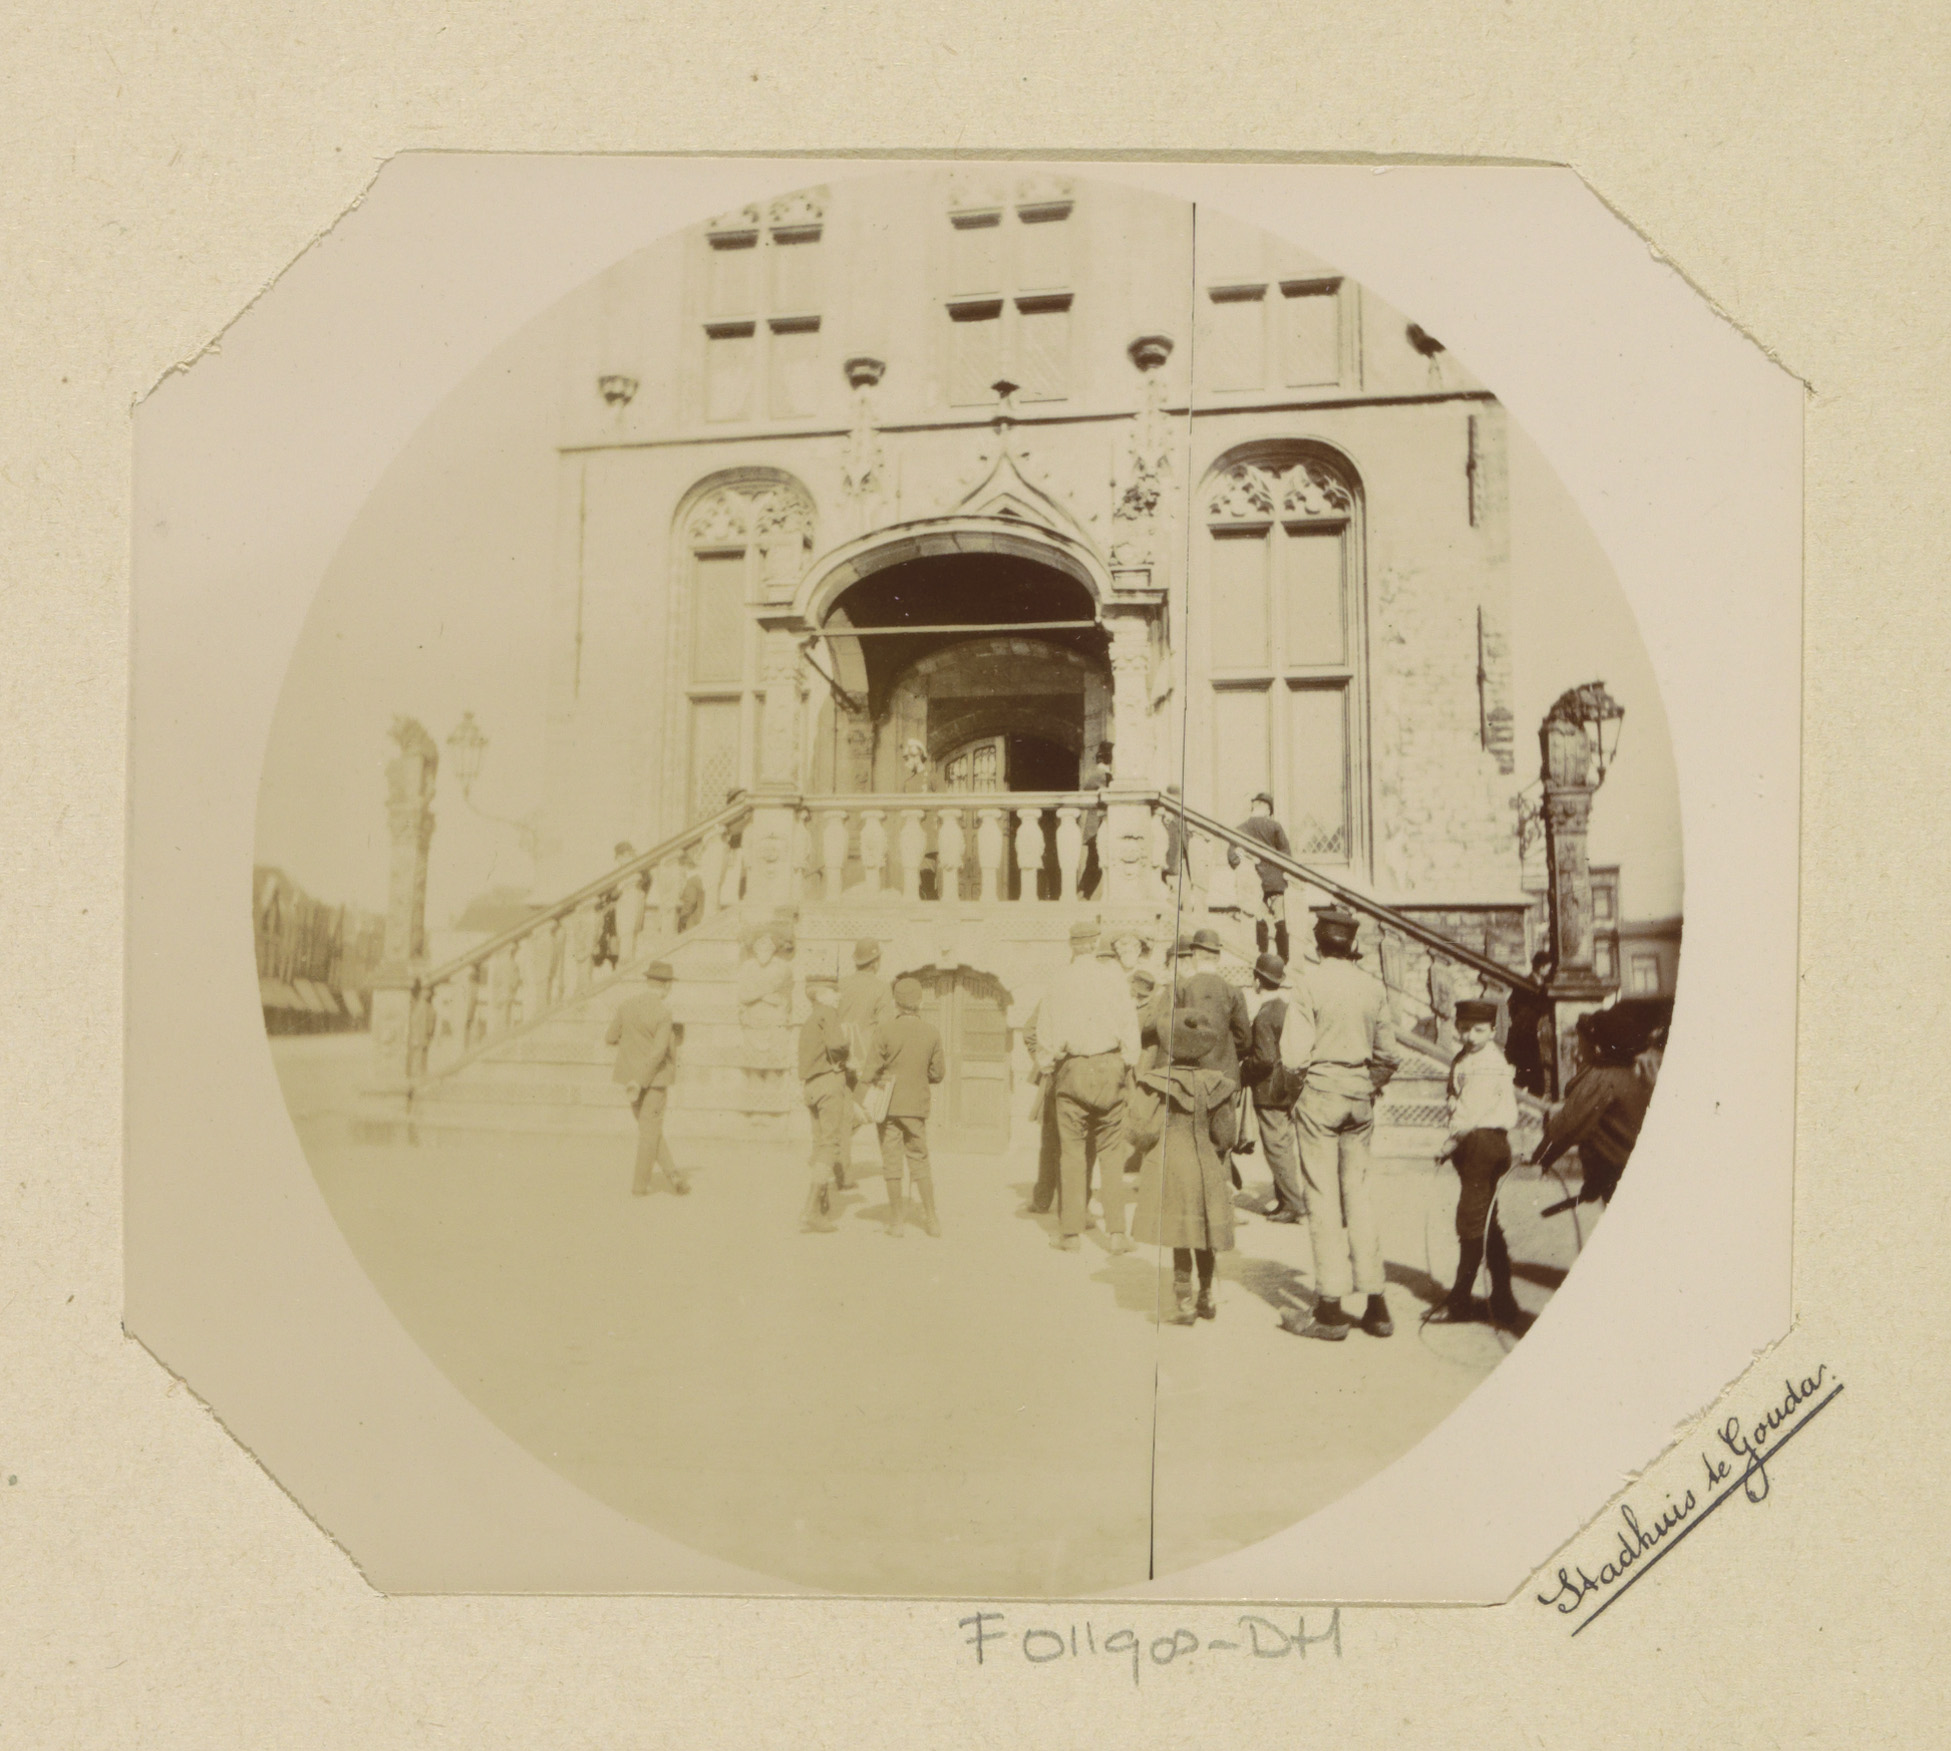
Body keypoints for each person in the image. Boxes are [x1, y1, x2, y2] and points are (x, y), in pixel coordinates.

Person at [1278, 907, 1400, 1341]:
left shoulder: (1308, 984)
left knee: (1323, 1198)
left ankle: (1330, 1308)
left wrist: (1299, 1093)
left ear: (1317, 945)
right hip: (1358, 1098)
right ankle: (1377, 1304)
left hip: (1320, 1095)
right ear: (1352, 945)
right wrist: (1366, 1084)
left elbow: (1294, 1056)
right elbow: (1389, 1054)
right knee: (1359, 1197)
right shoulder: (1372, 986)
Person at [1032, 920, 1142, 1252]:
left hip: (1072, 1070)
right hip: (1111, 1068)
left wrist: (1049, 1064)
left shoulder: (1058, 981)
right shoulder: (1114, 979)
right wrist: (1126, 1062)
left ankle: (1070, 1234)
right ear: (1096, 945)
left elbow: (1044, 1038)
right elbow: (1131, 1030)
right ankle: (1117, 1234)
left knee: (1071, 1154)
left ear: (1071, 946)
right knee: (1111, 1155)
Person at [1129, 1011, 1241, 1324]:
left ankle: (1184, 1302)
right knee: (1205, 1231)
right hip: (1207, 1164)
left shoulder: (1154, 1082)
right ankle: (1206, 1295)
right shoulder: (1218, 1084)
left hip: (1173, 1164)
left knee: (1180, 1232)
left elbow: (1139, 1132)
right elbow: (1226, 1136)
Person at [1427, 998, 1524, 1329]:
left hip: (1482, 1142)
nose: (1470, 1036)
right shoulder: (1465, 1057)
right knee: (1486, 1222)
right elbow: (1455, 1097)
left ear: (1493, 1031)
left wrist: (1450, 1142)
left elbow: (1470, 1113)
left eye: (1479, 1030)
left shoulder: (1487, 1063)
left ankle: (1459, 1302)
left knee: (1470, 1222)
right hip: (1476, 1143)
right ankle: (1504, 1299)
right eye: (1464, 1029)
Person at [1534, 1006, 1651, 1206]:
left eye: (1581, 1043)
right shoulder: (1629, 1072)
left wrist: (1540, 1159)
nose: (1578, 1051)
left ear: (1596, 1048)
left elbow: (1568, 1126)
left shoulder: (1601, 1078)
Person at [866, 977, 946, 1238]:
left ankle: (897, 1223)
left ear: (896, 1004)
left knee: (891, 1163)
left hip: (888, 1107)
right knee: (920, 1161)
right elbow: (938, 1073)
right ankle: (932, 1220)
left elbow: (870, 1071)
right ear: (920, 1002)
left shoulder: (884, 1030)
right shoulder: (932, 1032)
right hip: (916, 1107)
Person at [606, 961, 691, 1197]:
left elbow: (610, 1037)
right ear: (665, 986)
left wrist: (631, 1047)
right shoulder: (663, 1013)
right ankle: (640, 1186)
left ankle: (673, 1175)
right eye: (670, 985)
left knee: (648, 1129)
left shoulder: (626, 1006)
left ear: (648, 982)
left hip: (630, 1081)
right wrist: (642, 1079)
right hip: (654, 1081)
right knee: (649, 1132)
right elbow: (658, 1052)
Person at [1242, 952, 1307, 1224]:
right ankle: (1284, 1201)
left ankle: (1293, 1205)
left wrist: (1244, 1069)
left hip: (1269, 1091)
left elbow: (1265, 1059)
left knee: (1276, 1148)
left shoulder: (1265, 1015)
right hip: (1286, 1088)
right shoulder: (1285, 1008)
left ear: (1258, 981)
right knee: (1284, 1145)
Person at [836, 937, 896, 1192]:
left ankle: (841, 1168)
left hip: (840, 1058)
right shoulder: (881, 988)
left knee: (846, 1111)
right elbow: (886, 1028)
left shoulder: (841, 985)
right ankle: (892, 1170)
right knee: (873, 1109)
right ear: (875, 962)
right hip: (866, 1061)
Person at [797, 970, 849, 1234]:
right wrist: (847, 1052)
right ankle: (810, 1211)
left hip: (811, 1087)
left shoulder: (810, 1018)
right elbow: (838, 1045)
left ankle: (820, 1207)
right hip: (829, 1084)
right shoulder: (828, 1014)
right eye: (834, 991)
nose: (839, 996)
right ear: (821, 994)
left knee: (819, 1146)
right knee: (830, 1146)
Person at [1226, 791, 1295, 963]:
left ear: (1254, 807)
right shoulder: (1275, 826)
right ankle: (1283, 960)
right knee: (1280, 919)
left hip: (1253, 879)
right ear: (1267, 810)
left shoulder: (1240, 828)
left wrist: (1242, 859)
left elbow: (1232, 858)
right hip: (1275, 881)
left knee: (1259, 917)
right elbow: (1286, 854)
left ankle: (1262, 958)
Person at [1504, 951, 1556, 1098]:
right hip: (1525, 1032)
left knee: (1535, 1070)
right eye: (1547, 967)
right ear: (1541, 967)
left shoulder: (1543, 984)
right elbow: (1513, 1005)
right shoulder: (1525, 983)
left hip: (1536, 1031)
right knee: (1526, 1069)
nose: (1549, 971)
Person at [594, 841, 636, 971]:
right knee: (619, 936)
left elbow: (617, 891)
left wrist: (612, 898)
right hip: (620, 910)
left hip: (626, 908)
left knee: (623, 937)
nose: (618, 861)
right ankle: (618, 962)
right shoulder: (623, 870)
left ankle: (621, 963)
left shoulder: (631, 870)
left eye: (619, 857)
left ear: (625, 855)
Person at [1079, 741, 1114, 898]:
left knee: (1095, 864)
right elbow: (1088, 788)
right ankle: (1082, 895)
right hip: (1097, 826)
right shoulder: (1101, 774)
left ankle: (1083, 895)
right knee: (1095, 864)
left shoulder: (1104, 774)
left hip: (1100, 825)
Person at [674, 846, 705, 935]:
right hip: (699, 920)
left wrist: (682, 920)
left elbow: (690, 901)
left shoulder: (692, 880)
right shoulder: (697, 879)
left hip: (693, 922)